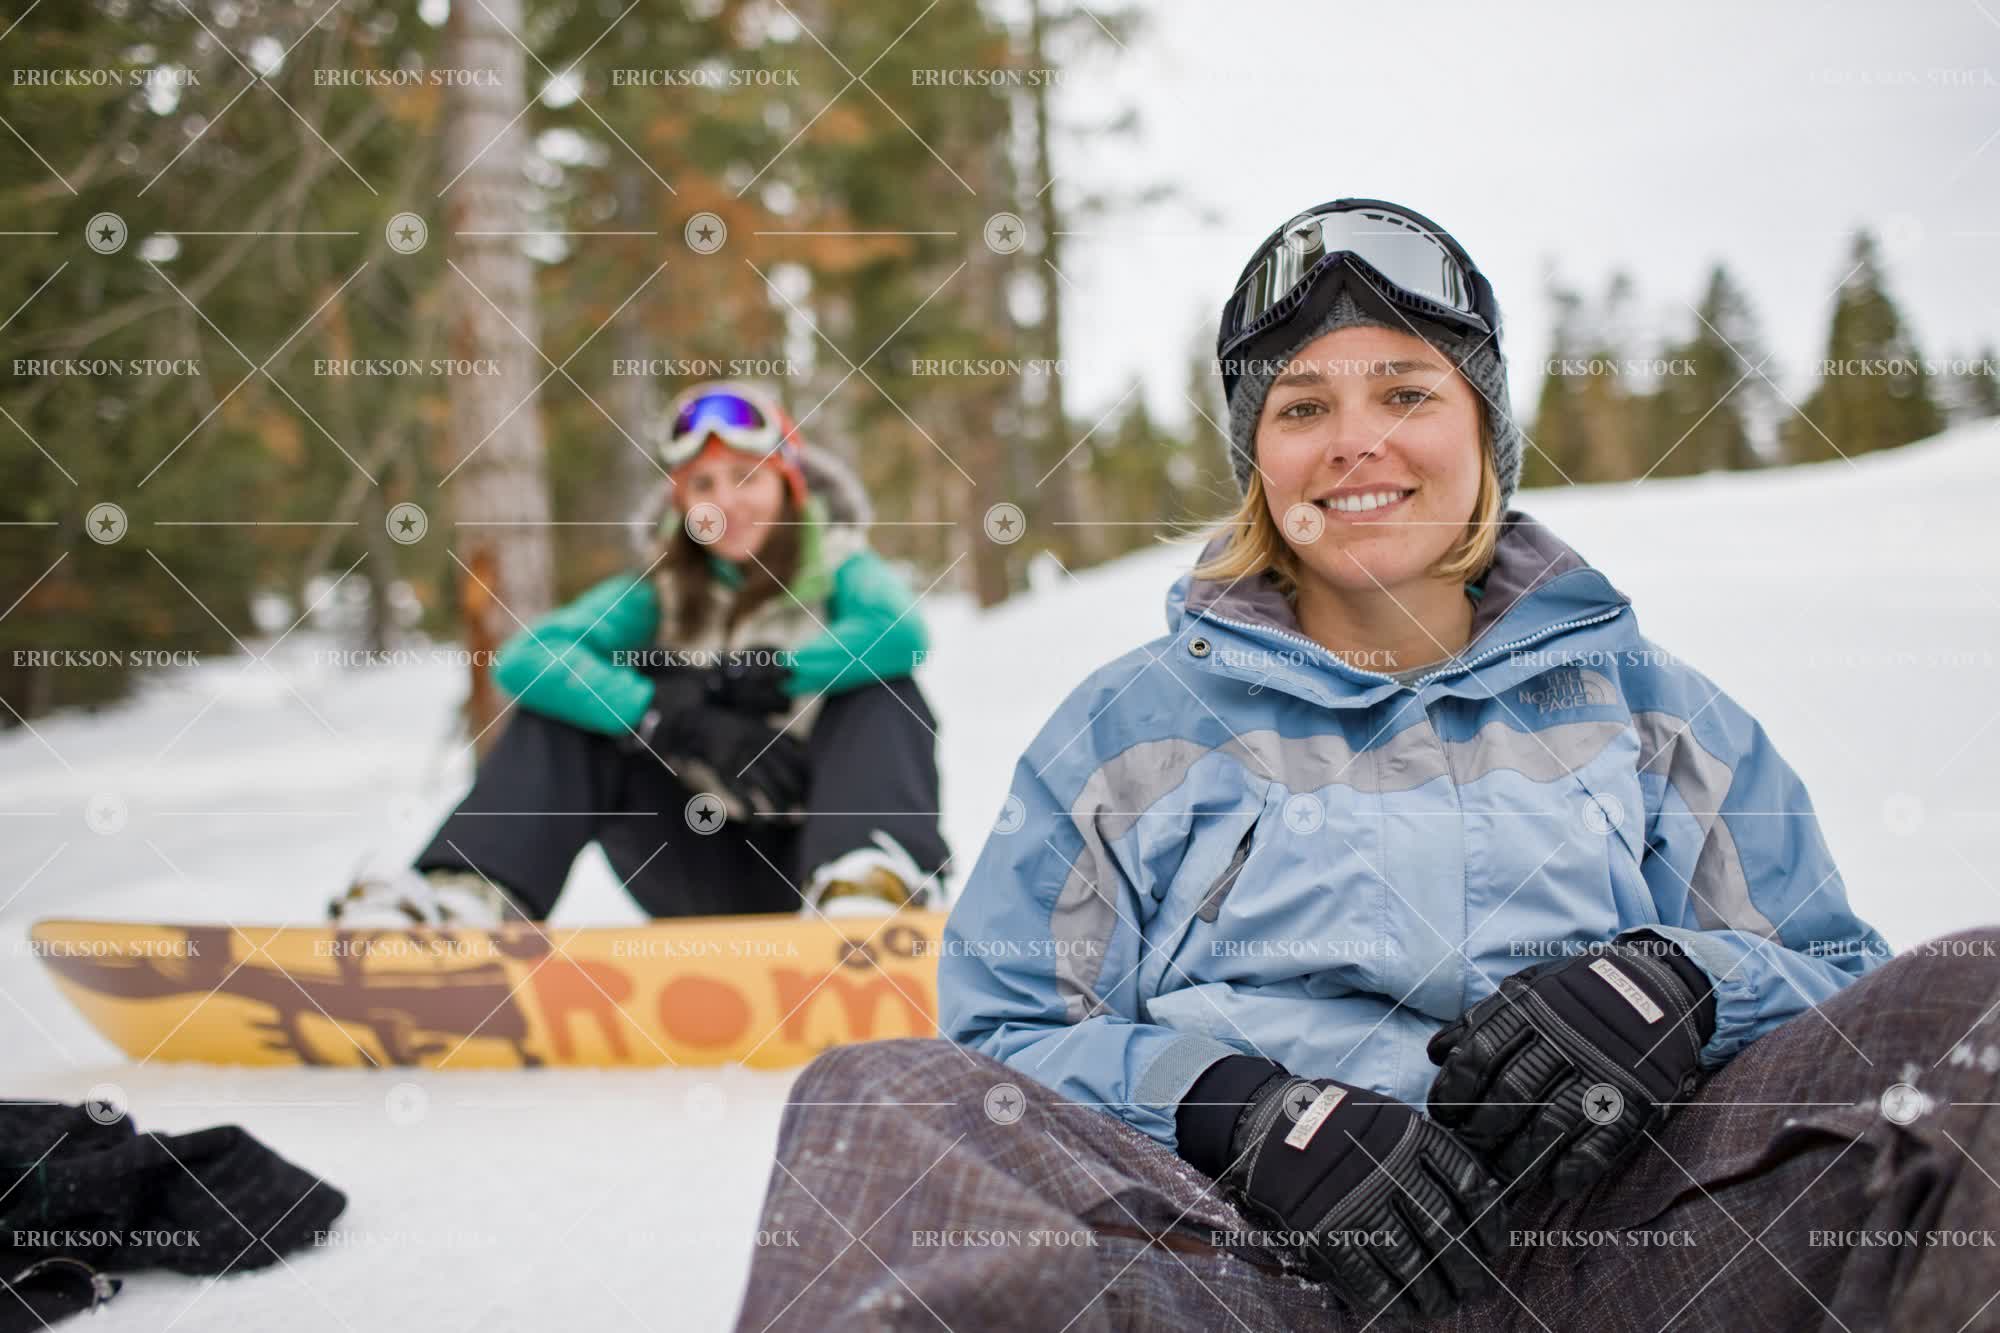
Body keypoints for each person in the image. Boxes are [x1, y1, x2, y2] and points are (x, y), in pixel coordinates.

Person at [733, 201, 2000, 1330]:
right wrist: (1233, 1109)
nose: (1355, 443)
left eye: (1405, 393)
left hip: (1632, 1255)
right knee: (878, 1103)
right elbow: (1004, 1038)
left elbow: (1834, 976)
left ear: (1481, 429)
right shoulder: (1129, 725)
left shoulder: (1649, 707)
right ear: (1258, 462)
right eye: (1301, 408)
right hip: (1242, 1270)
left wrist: (1680, 986)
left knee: (1973, 998)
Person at [331, 380, 951, 927]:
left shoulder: (843, 567)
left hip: (808, 851)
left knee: (888, 692)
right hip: (691, 860)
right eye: (703, 484)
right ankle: (469, 893)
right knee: (564, 710)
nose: (725, 503)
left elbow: (899, 632)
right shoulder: (657, 591)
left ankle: (869, 883)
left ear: (788, 484)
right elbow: (529, 657)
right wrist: (660, 712)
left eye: (747, 477)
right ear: (680, 501)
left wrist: (780, 671)